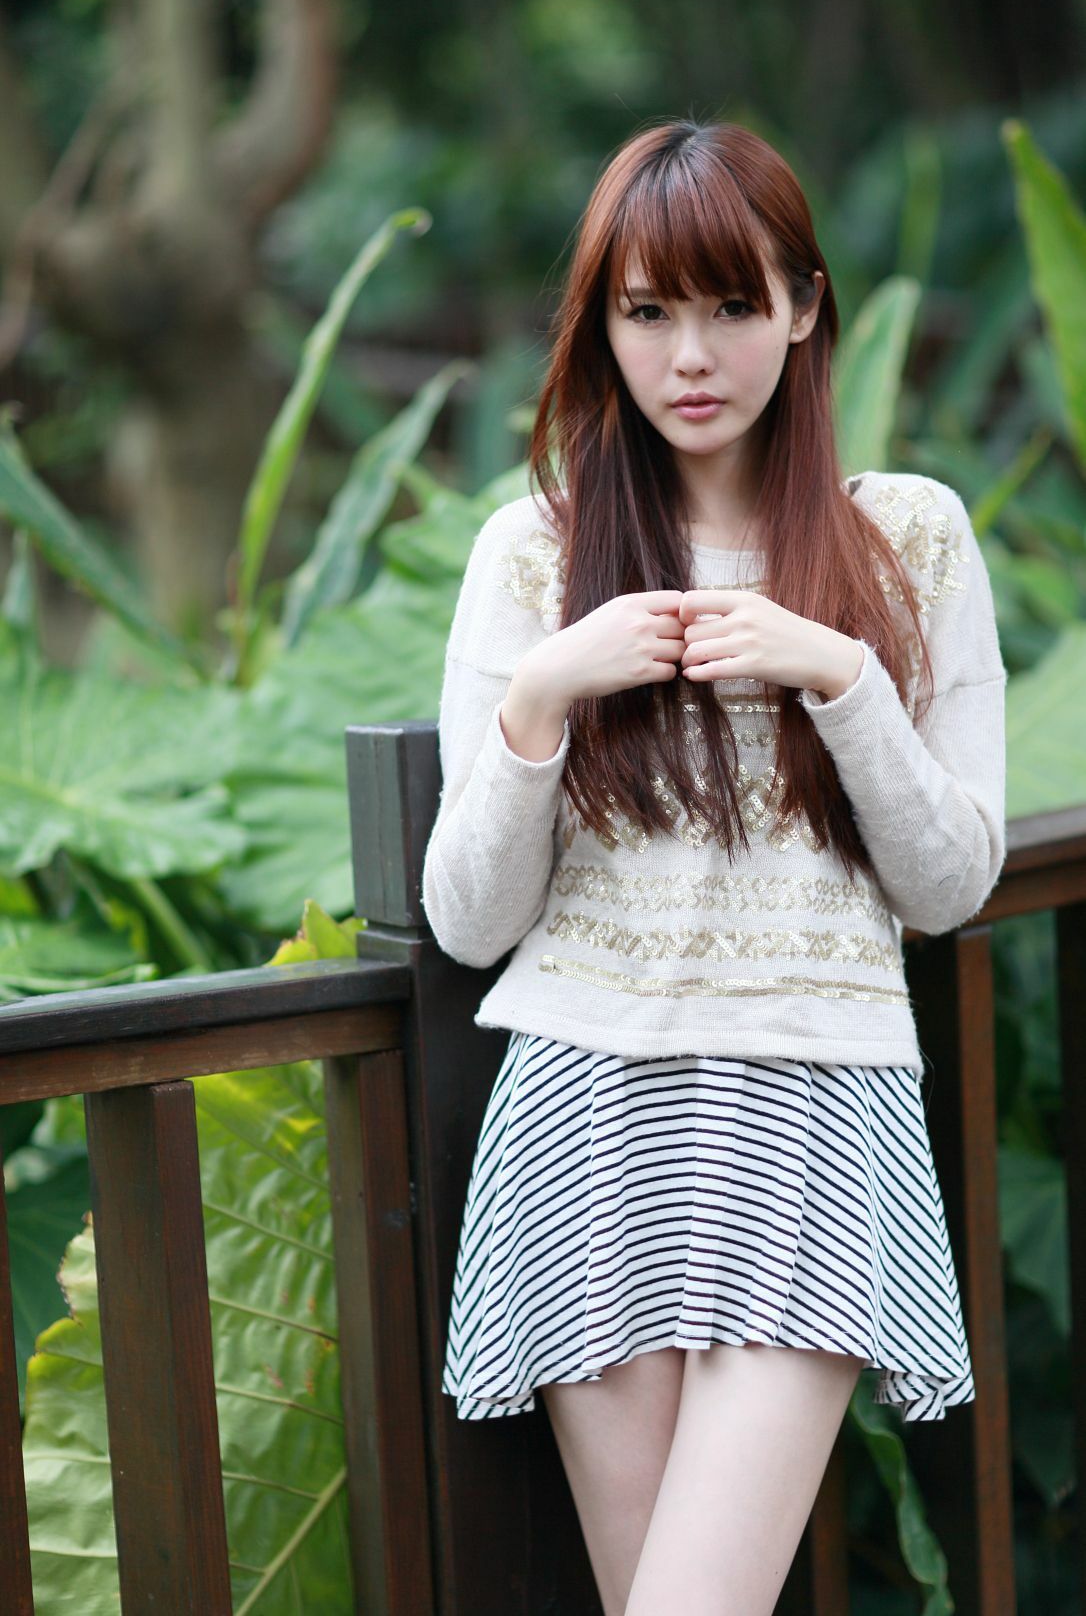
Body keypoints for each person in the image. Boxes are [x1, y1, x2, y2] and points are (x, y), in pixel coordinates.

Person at [421, 117, 1007, 1616]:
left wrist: (841, 677)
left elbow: (951, 886)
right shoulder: (531, 557)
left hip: (813, 1112)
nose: (690, 355)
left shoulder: (908, 540)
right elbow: (469, 921)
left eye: (733, 305)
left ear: (803, 308)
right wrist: (542, 696)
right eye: (647, 311)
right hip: (582, 1115)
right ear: (602, 327)